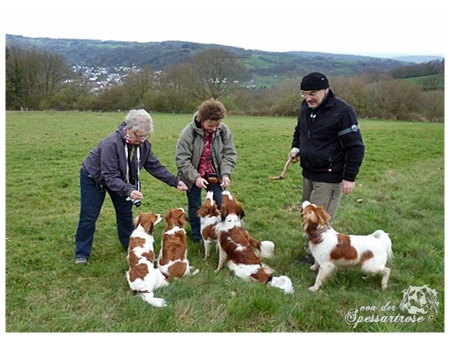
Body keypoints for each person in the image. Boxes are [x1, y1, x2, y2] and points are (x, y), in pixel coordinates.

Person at [75, 109, 188, 264]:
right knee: (89, 216)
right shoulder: (111, 144)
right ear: (129, 129)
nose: (142, 139)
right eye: (139, 135)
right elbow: (109, 176)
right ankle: (82, 253)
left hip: (123, 180)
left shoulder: (144, 145)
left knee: (125, 213)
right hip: (94, 178)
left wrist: (174, 181)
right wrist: (129, 189)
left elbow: (154, 166)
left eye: (146, 135)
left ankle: (128, 244)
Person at [290, 72, 365, 264]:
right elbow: (300, 130)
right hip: (308, 173)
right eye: (304, 94)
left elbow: (356, 146)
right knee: (307, 215)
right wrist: (296, 148)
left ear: (325, 90)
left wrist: (349, 177)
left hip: (329, 177)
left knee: (318, 222)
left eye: (312, 93)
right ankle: (313, 251)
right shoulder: (305, 107)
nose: (308, 98)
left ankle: (315, 258)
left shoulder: (342, 112)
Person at [176, 99, 237, 243]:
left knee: (221, 201)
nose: (214, 128)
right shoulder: (188, 133)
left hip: (214, 174)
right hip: (193, 175)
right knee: (195, 205)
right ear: (202, 120)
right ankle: (198, 236)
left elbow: (230, 153)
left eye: (217, 125)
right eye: (211, 125)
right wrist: (195, 177)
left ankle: (222, 231)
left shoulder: (223, 131)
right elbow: (181, 159)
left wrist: (226, 174)